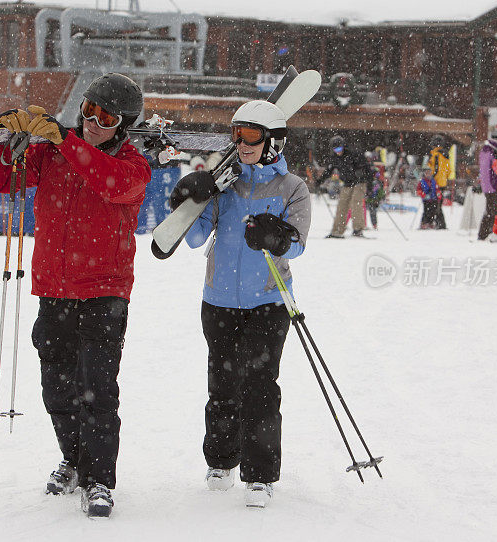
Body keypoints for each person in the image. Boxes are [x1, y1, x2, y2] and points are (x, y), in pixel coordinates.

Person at [0, 73, 150, 519]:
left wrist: (67, 141)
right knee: (57, 389)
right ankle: (73, 460)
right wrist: (5, 140)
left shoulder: (132, 164)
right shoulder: (52, 152)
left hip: (104, 292)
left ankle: (99, 480)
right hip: (53, 290)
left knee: (98, 391)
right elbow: (0, 181)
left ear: (125, 125)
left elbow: (109, 182)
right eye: (88, 110)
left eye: (106, 117)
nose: (93, 122)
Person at [169, 99, 311, 508]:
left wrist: (277, 237)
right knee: (222, 385)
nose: (242, 143)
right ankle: (221, 461)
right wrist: (191, 200)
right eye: (237, 134)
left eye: (251, 135)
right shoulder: (224, 183)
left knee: (261, 388)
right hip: (218, 302)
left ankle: (260, 474)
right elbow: (196, 239)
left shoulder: (292, 188)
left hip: (268, 301)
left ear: (272, 142)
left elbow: (298, 245)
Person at [324, 135, 370, 238]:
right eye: (335, 149)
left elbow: (367, 168)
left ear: (343, 146)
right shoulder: (335, 158)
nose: (338, 151)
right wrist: (319, 181)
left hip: (359, 182)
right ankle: (337, 231)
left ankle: (358, 229)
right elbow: (328, 171)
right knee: (342, 205)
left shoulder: (354, 154)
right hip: (348, 184)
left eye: (340, 148)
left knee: (355, 203)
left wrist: (365, 179)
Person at [477, 137, 497, 240]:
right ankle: (486, 232)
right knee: (492, 210)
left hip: (487, 186)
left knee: (490, 209)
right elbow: (491, 172)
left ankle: (485, 232)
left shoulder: (484, 152)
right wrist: (495, 185)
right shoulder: (491, 153)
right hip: (491, 186)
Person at [427, 134, 451, 229]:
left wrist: (431, 178)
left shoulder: (436, 155)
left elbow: (435, 169)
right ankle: (438, 223)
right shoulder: (446, 156)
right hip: (443, 183)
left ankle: (440, 223)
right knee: (438, 204)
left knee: (434, 204)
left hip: (435, 182)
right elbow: (449, 170)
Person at [416, 165, 439, 229]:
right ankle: (424, 223)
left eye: (429, 173)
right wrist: (423, 194)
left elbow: (437, 189)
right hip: (426, 200)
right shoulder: (422, 182)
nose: (428, 174)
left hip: (433, 199)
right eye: (427, 173)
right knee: (426, 212)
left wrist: (438, 195)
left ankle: (431, 223)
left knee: (433, 212)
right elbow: (418, 190)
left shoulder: (433, 181)